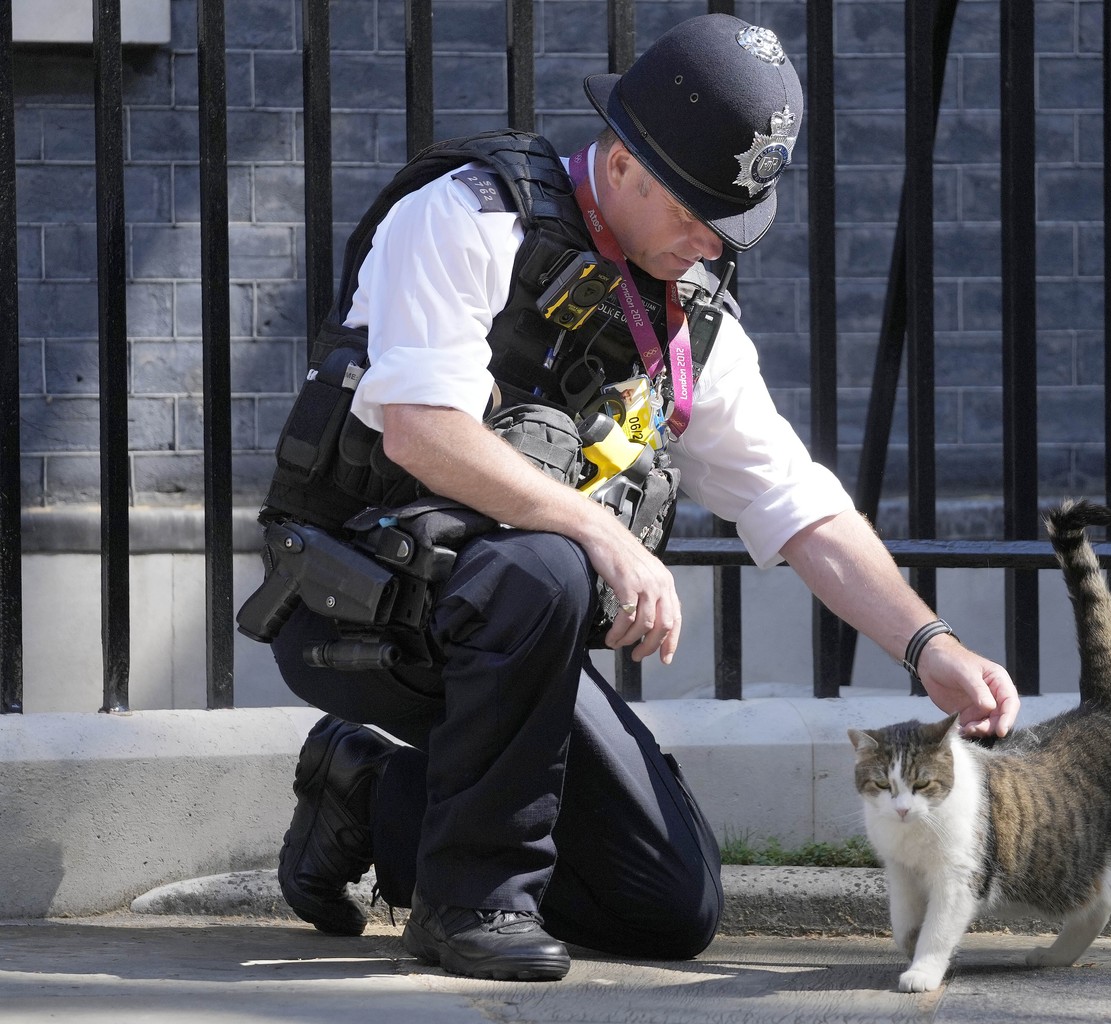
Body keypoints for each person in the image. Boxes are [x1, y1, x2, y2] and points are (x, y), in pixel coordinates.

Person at [258, 13, 1020, 983]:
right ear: (620, 161)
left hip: (516, 639)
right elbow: (419, 426)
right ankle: (470, 906)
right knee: (550, 561)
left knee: (668, 902)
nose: (710, 242)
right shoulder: (469, 214)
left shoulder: (691, 317)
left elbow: (798, 503)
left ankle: (365, 795)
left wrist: (931, 646)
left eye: (729, 222)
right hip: (358, 601)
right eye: (695, 209)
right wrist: (602, 535)